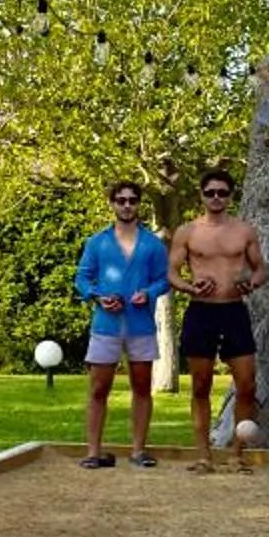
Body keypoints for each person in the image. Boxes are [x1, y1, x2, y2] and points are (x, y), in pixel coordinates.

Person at [168, 165, 268, 470]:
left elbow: (261, 268)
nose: (216, 198)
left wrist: (250, 282)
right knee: (200, 384)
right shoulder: (188, 232)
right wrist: (189, 286)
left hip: (234, 311)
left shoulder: (244, 230)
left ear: (230, 196)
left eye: (222, 193)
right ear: (202, 195)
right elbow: (171, 272)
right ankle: (203, 455)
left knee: (247, 383)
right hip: (201, 312)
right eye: (210, 193)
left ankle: (237, 455)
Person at [74, 179, 171, 469]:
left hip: (141, 325)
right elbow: (82, 278)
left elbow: (165, 280)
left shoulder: (152, 244)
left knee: (142, 388)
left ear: (138, 204)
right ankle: (93, 452)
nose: (127, 205)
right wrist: (98, 297)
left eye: (132, 200)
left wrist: (149, 293)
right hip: (106, 326)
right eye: (121, 200)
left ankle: (139, 451)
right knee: (98, 388)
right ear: (113, 204)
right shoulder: (97, 242)